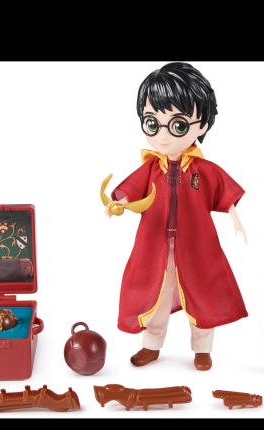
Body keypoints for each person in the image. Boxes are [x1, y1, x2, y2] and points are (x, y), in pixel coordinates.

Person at [105, 62, 248, 371]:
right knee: (157, 293)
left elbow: (223, 192)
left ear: (202, 125)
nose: (163, 136)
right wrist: (118, 204)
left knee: (202, 294)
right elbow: (130, 191)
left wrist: (234, 214)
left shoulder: (203, 170)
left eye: (178, 126)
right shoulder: (150, 168)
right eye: (152, 123)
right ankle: (151, 345)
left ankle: (202, 349)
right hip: (155, 246)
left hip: (197, 247)